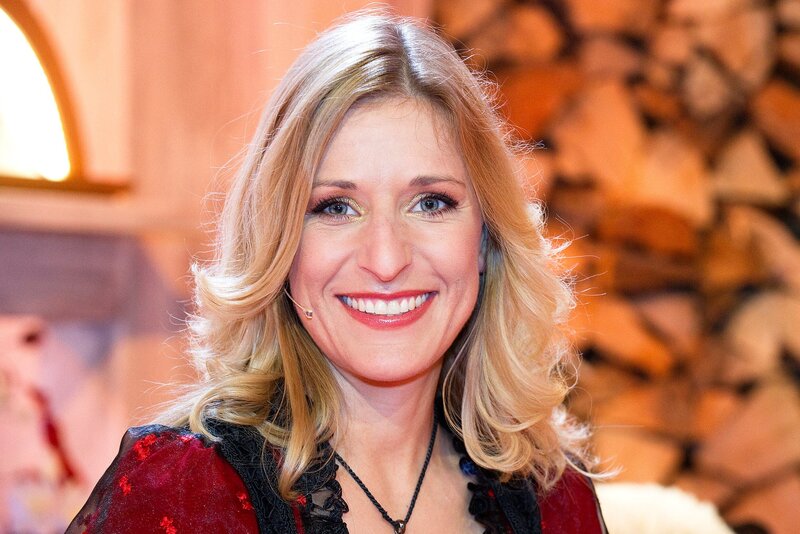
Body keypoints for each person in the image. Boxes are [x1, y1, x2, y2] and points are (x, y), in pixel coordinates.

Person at [68, 11, 607, 534]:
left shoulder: (555, 499)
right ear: (281, 244)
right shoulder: (182, 495)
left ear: (486, 238)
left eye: (430, 203)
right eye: (336, 207)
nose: (386, 260)